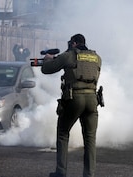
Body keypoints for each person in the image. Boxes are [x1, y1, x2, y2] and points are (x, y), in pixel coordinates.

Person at [41, 34, 102, 177]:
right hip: (93, 99)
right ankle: (89, 174)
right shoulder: (97, 57)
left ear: (74, 43)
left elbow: (47, 69)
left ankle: (61, 172)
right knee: (90, 138)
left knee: (63, 133)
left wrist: (47, 59)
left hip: (75, 98)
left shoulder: (69, 55)